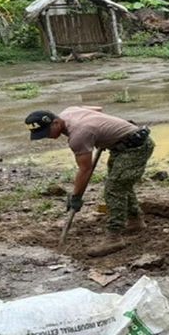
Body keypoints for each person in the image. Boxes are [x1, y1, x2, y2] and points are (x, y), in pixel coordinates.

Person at [25, 106, 153, 249]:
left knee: (114, 189)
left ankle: (114, 237)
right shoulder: (69, 111)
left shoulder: (78, 135)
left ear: (56, 122)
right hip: (121, 146)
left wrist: (76, 196)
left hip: (135, 148)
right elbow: (97, 109)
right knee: (121, 184)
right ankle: (135, 221)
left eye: (47, 132)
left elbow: (85, 169)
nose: (47, 136)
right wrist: (101, 132)